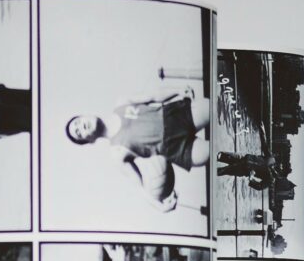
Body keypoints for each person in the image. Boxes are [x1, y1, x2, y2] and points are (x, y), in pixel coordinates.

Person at [66, 88, 212, 210]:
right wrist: (161, 207)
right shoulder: (117, 153)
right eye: (79, 133)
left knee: (219, 107)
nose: (81, 126)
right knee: (218, 152)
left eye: (78, 122)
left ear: (86, 115)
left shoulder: (121, 103)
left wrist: (177, 90)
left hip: (174, 115)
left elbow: (153, 96)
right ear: (89, 141)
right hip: (175, 148)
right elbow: (140, 186)